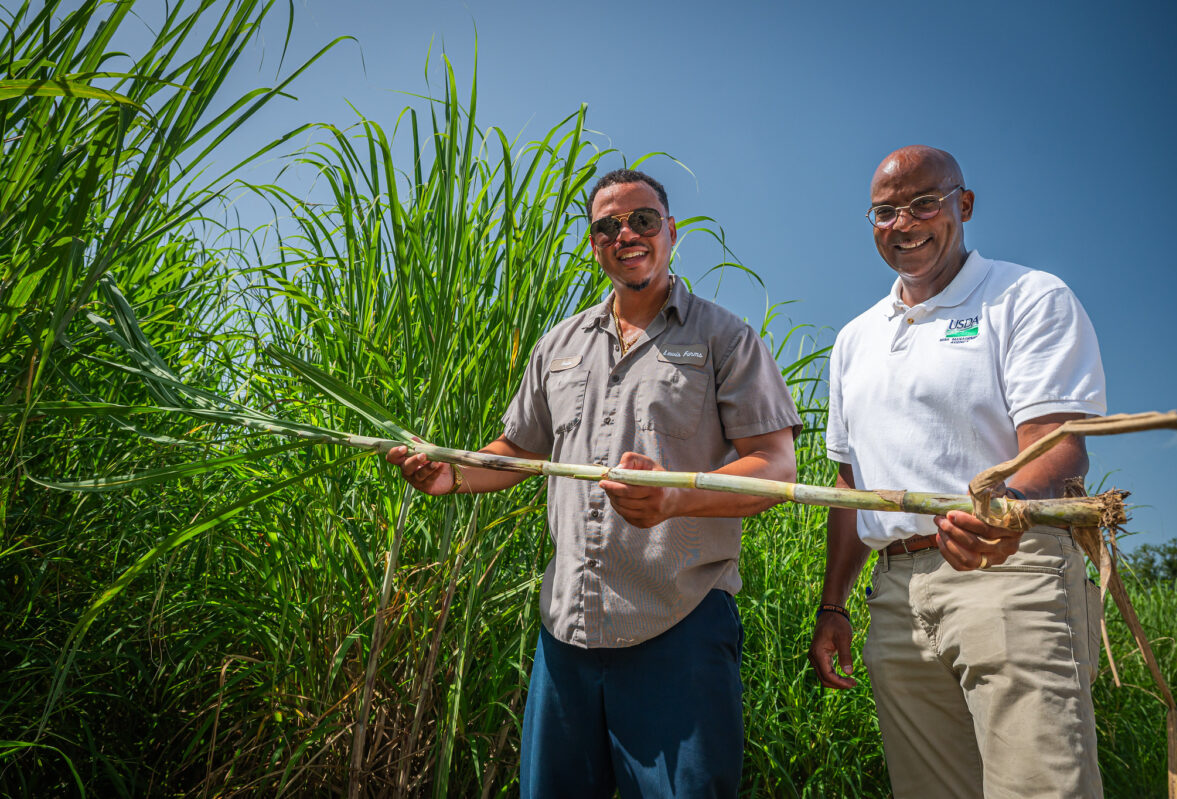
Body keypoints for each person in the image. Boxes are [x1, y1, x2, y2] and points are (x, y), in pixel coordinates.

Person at [388, 168, 801, 798]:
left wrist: (675, 497)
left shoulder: (725, 338)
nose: (625, 234)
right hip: (567, 632)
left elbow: (776, 468)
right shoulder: (559, 345)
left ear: (670, 230)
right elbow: (518, 451)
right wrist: (454, 475)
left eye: (641, 219)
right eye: (606, 226)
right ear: (593, 243)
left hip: (680, 624)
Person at [807, 146, 1107, 798]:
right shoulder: (855, 340)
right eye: (885, 212)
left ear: (962, 205)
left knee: (1040, 786)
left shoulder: (1028, 297)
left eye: (923, 203)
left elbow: (1058, 444)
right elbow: (848, 486)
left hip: (1012, 571)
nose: (904, 223)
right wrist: (834, 605)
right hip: (895, 598)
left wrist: (1005, 511)